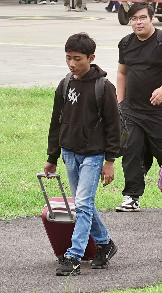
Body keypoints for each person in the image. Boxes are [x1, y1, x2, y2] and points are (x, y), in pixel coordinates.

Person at [44, 33, 120, 276]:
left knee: (83, 204)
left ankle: (74, 256)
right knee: (83, 204)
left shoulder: (104, 88)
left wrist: (110, 161)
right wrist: (52, 157)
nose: (72, 64)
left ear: (91, 57)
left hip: (94, 155)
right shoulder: (65, 84)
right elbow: (56, 123)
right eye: (68, 58)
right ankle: (105, 243)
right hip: (69, 152)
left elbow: (113, 126)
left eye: (77, 59)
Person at [116, 2, 162, 212]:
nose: (138, 22)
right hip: (132, 110)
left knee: (161, 151)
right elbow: (122, 73)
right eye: (134, 19)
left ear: (151, 18)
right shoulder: (125, 43)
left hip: (160, 112)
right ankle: (131, 196)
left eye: (142, 17)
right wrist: (120, 102)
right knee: (131, 150)